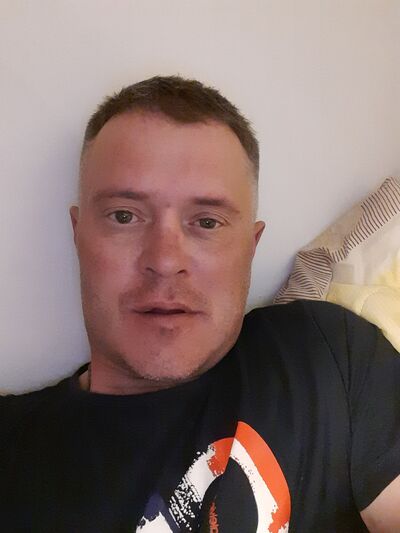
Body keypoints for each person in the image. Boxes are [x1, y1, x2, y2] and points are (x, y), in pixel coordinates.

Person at [1, 75, 399, 533]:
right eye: (124, 216)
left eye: (207, 222)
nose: (165, 261)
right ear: (79, 234)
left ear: (251, 246)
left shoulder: (326, 354)